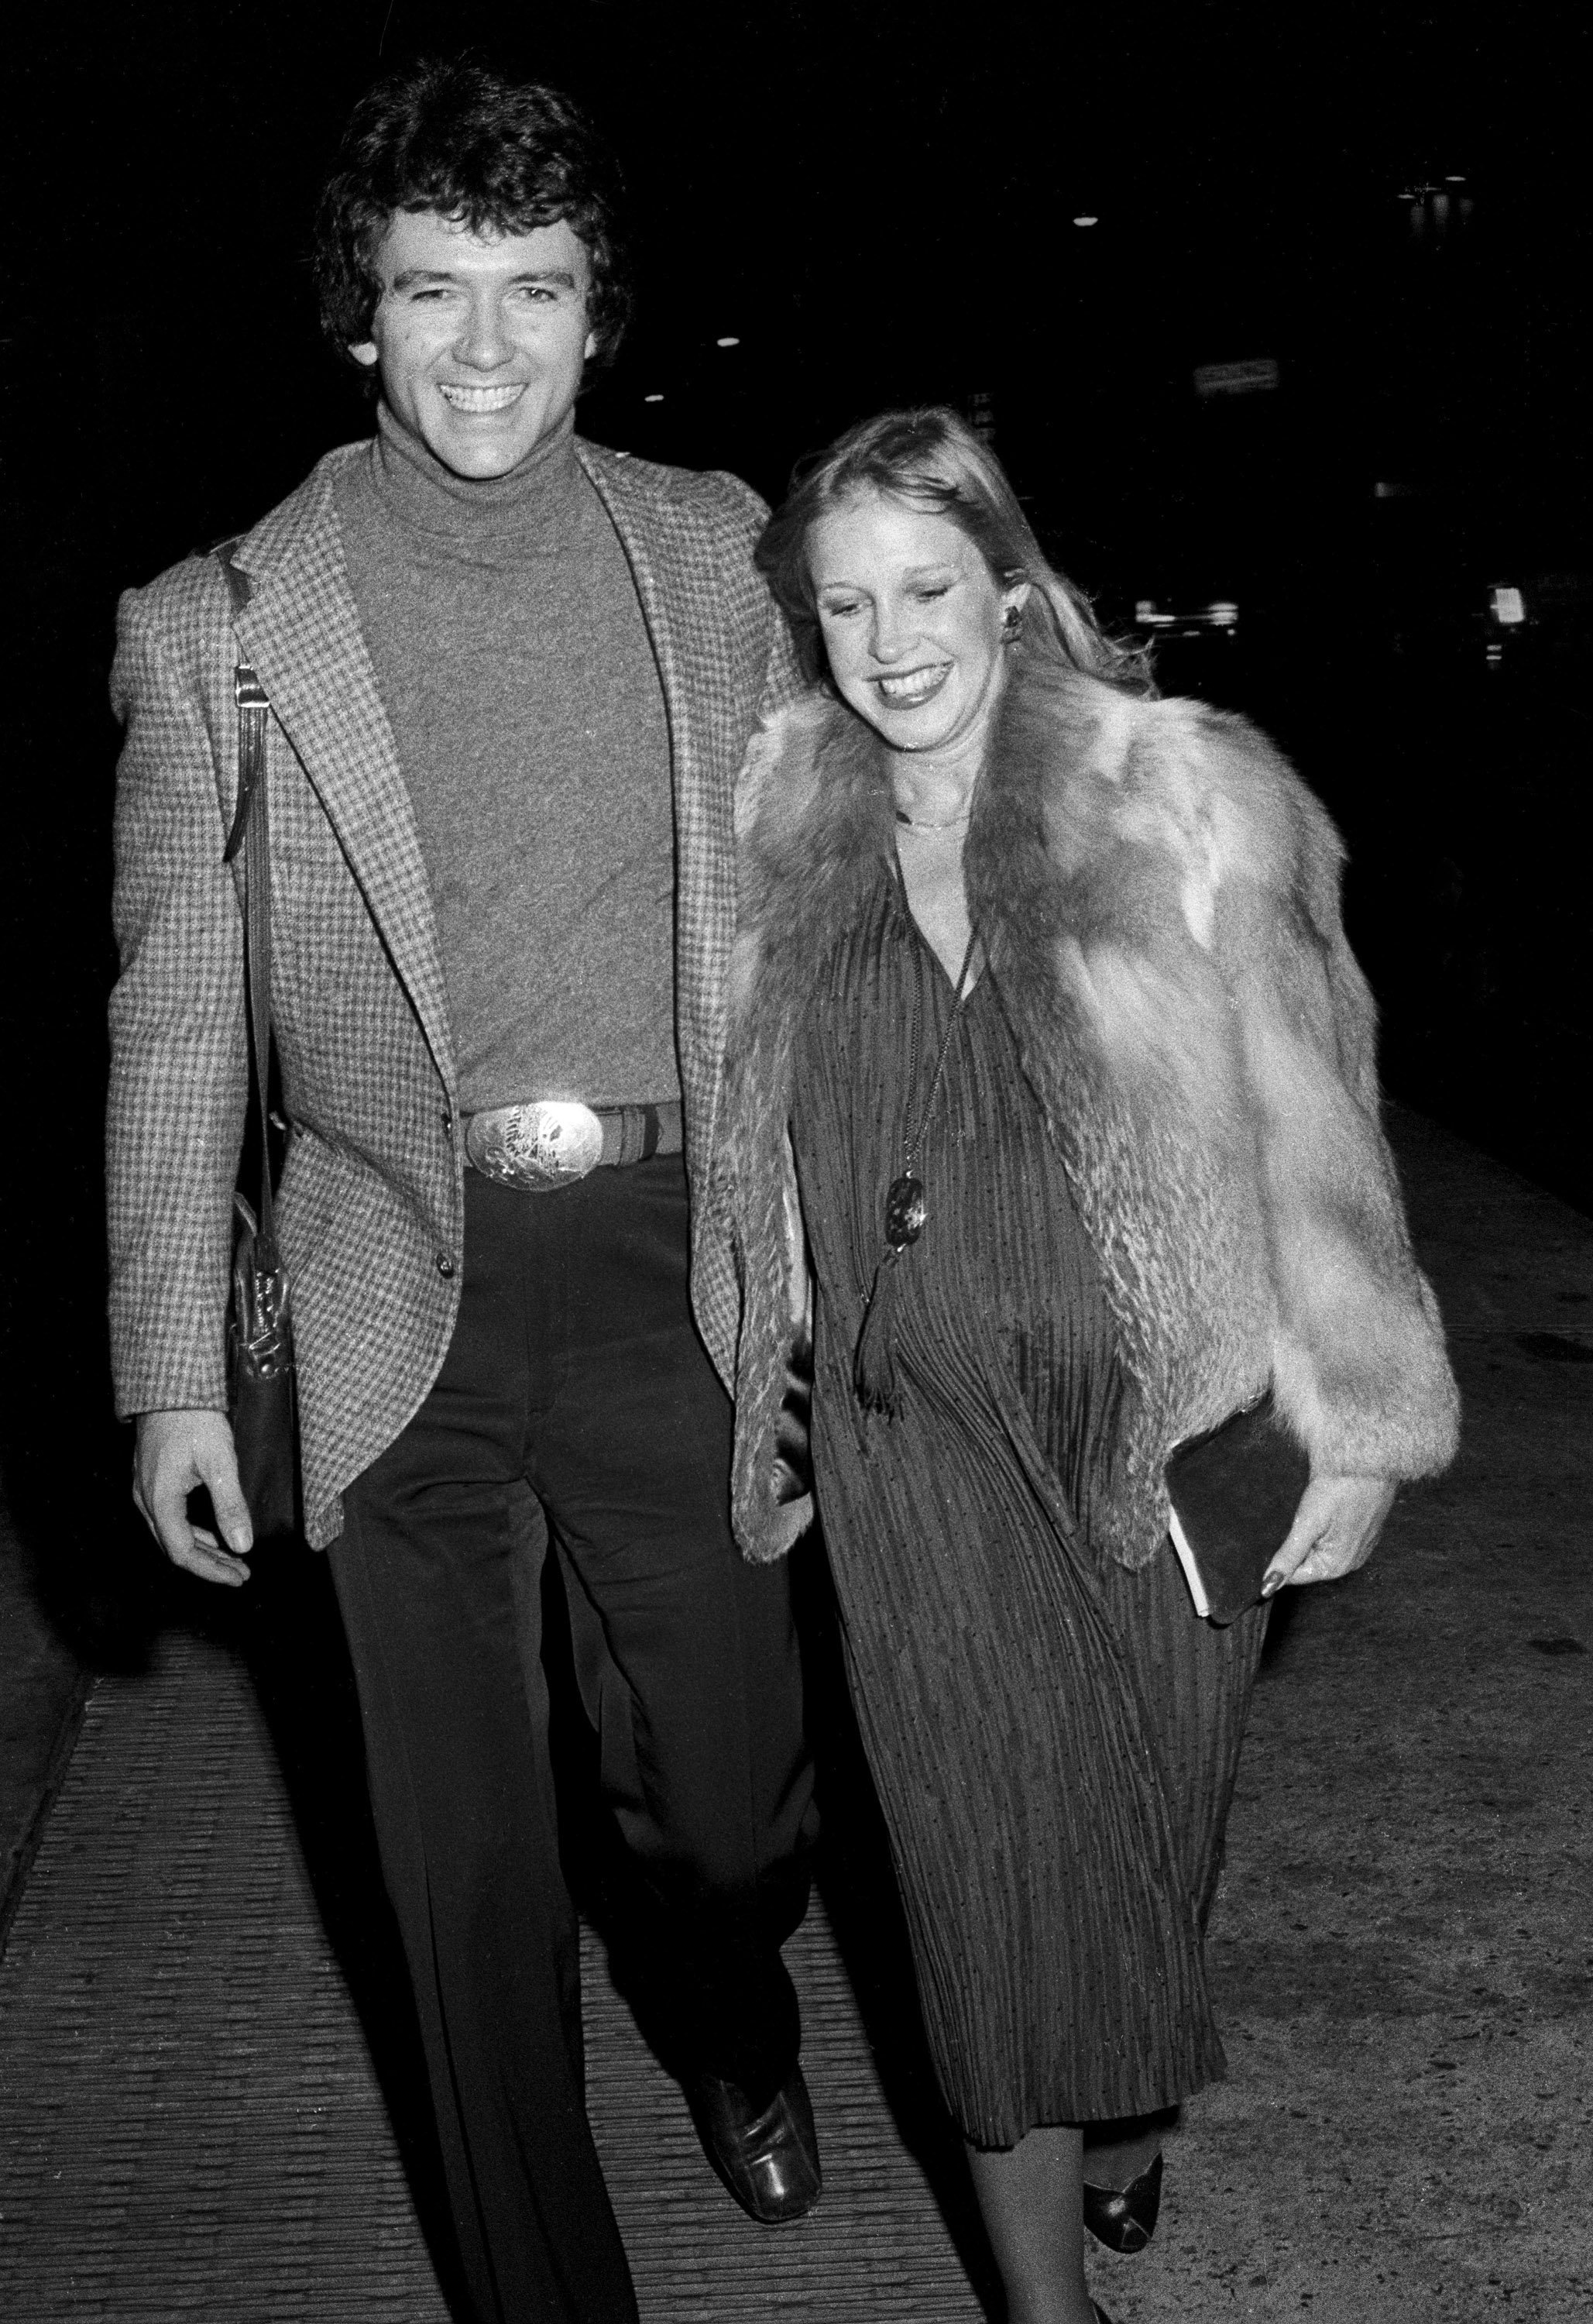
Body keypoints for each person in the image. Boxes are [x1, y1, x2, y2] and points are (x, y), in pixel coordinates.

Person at [107, 58, 820, 2324]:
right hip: (391, 1278)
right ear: (361, 315)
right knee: (460, 1882)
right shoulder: (218, 623)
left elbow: (846, 904)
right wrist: (164, 1376)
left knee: (722, 1803)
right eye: (436, 292)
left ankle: (724, 2006)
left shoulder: (721, 554)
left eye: (537, 290)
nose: (487, 347)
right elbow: (173, 1016)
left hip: (678, 1263)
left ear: (601, 312)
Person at [716, 408, 1461, 2324]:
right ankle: (1042, 2307)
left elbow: (1322, 1127)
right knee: (975, 1898)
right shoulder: (781, 825)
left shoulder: (1188, 795)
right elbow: (749, 1145)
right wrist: (769, 1372)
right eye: (846, 604)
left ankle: (1128, 2113)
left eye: (927, 589)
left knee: (1144, 1860)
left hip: (1164, 1442)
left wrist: (1358, 1426)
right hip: (913, 1455)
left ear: (1011, 584)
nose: (891, 645)